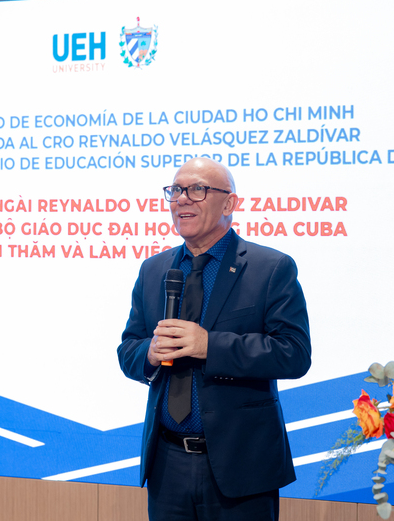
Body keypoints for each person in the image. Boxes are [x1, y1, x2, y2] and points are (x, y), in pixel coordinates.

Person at [117, 157, 311, 521]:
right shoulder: (155, 269)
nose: (182, 199)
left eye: (197, 190)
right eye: (176, 190)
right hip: (167, 464)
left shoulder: (270, 268)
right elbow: (128, 349)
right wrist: (150, 352)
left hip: (241, 465)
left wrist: (210, 346)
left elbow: (294, 353)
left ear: (229, 203)